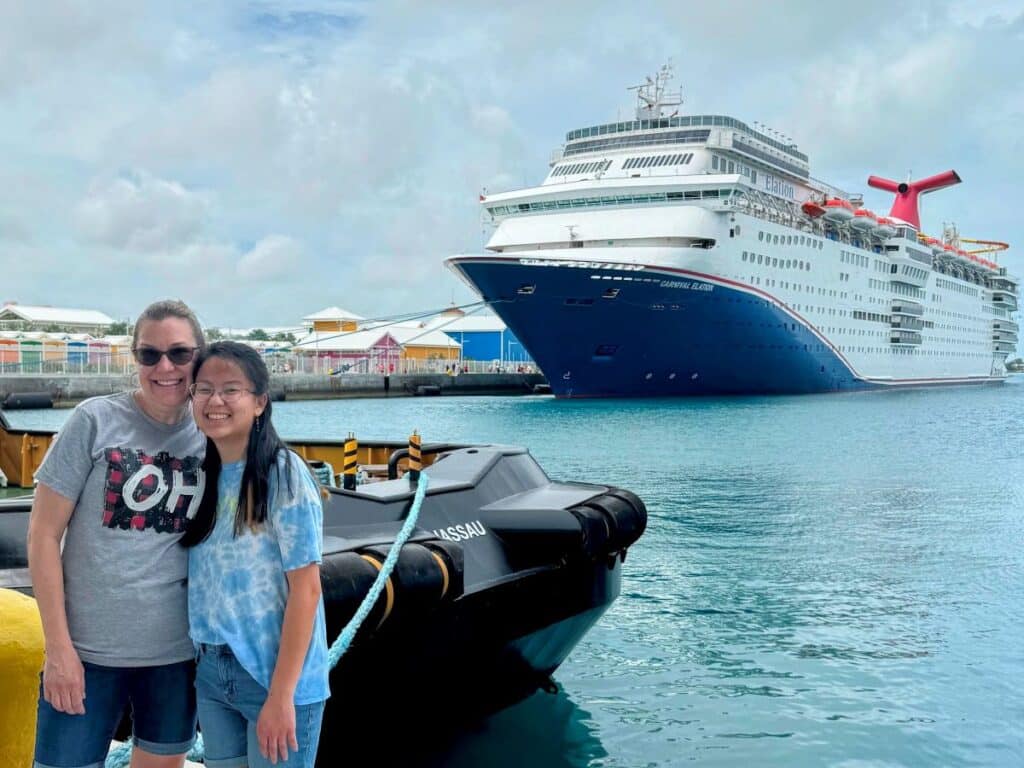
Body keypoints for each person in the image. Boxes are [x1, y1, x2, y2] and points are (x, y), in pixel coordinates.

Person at [28, 299, 206, 768]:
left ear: (198, 358)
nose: (164, 367)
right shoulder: (93, 421)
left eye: (179, 354)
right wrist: (59, 649)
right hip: (87, 654)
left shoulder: (212, 435)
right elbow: (44, 536)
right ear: (135, 360)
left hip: (175, 656)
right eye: (150, 355)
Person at [181, 341, 328, 768]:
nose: (215, 401)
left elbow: (307, 590)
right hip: (212, 671)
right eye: (204, 389)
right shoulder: (202, 476)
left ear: (260, 401)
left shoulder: (283, 473)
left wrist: (282, 696)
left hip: (272, 674)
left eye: (231, 389)